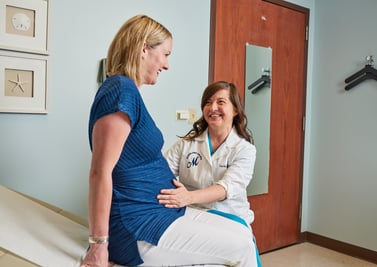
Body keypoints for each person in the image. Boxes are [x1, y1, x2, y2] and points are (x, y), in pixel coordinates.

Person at [81, 14, 257, 267]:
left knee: (243, 234)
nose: (166, 65)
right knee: (241, 246)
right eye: (165, 55)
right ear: (144, 48)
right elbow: (99, 171)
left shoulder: (128, 91)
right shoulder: (120, 91)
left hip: (159, 212)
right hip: (139, 223)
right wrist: (98, 245)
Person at [158, 81, 256, 225]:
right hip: (192, 213)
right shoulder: (186, 144)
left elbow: (226, 188)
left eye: (221, 102)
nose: (213, 108)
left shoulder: (244, 149)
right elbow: (161, 171)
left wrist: (188, 197)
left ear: (235, 110)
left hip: (229, 216)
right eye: (208, 103)